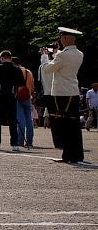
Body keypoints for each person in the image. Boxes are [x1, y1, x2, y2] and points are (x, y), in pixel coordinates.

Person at [40, 27, 85, 164]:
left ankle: (67, 155)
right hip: (72, 92)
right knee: (74, 125)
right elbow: (62, 62)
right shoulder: (79, 53)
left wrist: (44, 56)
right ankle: (76, 155)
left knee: (62, 124)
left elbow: (47, 69)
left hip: (60, 94)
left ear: (65, 39)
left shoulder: (62, 56)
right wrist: (55, 54)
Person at [0, 50, 25, 151]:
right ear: (10, 58)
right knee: (12, 120)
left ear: (2, 58)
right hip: (11, 96)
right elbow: (21, 84)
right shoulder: (16, 69)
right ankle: (15, 145)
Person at [12, 56, 36, 150]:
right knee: (29, 120)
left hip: (18, 97)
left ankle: (20, 141)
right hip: (27, 96)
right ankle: (29, 142)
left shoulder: (16, 71)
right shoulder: (28, 72)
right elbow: (33, 86)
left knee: (20, 120)